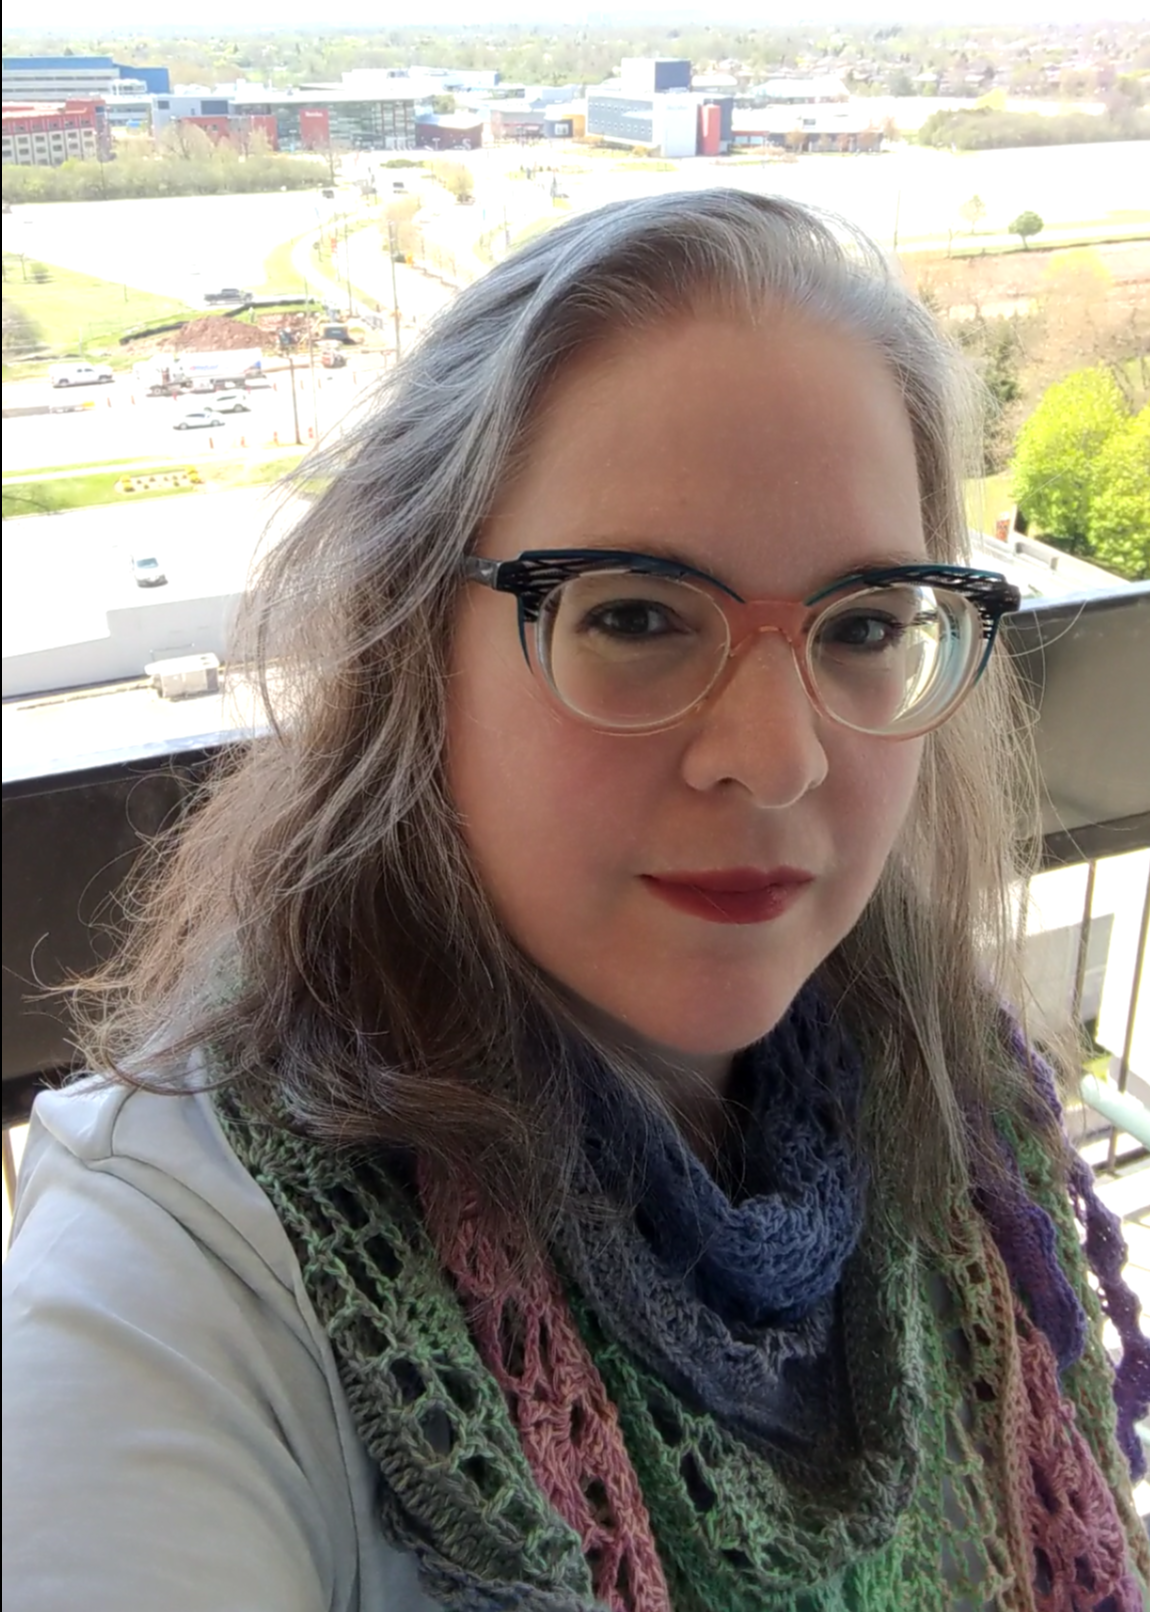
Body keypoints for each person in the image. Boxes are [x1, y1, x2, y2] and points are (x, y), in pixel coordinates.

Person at [3, 190, 1148, 1612]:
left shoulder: (953, 1095)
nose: (777, 759)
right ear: (419, 652)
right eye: (635, 616)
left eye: (861, 626)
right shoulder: (186, 1259)